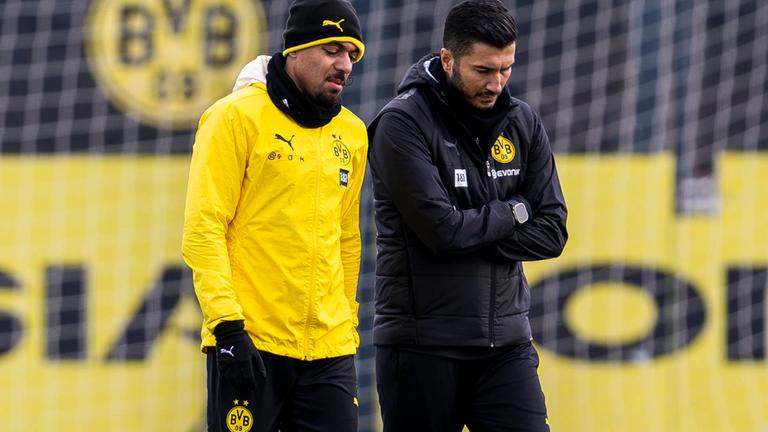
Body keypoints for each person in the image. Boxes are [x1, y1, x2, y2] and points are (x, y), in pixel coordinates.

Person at [367, 1, 568, 431]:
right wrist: (515, 209)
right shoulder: (401, 123)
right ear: (448, 59)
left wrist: (469, 228)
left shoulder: (523, 121)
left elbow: (553, 232)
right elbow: (441, 231)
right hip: (423, 346)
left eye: (506, 69)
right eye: (483, 70)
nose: (496, 83)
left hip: (506, 345)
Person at [181, 0, 367, 430]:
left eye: (352, 54)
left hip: (330, 349)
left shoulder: (353, 133)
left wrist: (348, 322)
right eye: (332, 50)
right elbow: (204, 227)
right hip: (251, 340)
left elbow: (346, 236)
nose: (344, 65)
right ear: (295, 50)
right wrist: (227, 326)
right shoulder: (233, 117)